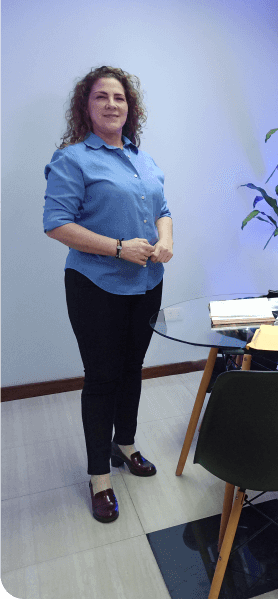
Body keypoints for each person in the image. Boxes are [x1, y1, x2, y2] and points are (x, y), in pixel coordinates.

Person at [43, 66, 173, 523]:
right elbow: (56, 224)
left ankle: (126, 445)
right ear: (86, 106)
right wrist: (118, 248)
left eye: (119, 97)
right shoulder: (72, 159)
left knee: (132, 369)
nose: (112, 104)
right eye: (102, 96)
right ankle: (99, 477)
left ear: (129, 107)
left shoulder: (143, 158)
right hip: (95, 285)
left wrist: (165, 238)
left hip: (147, 282)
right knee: (101, 378)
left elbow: (163, 209)